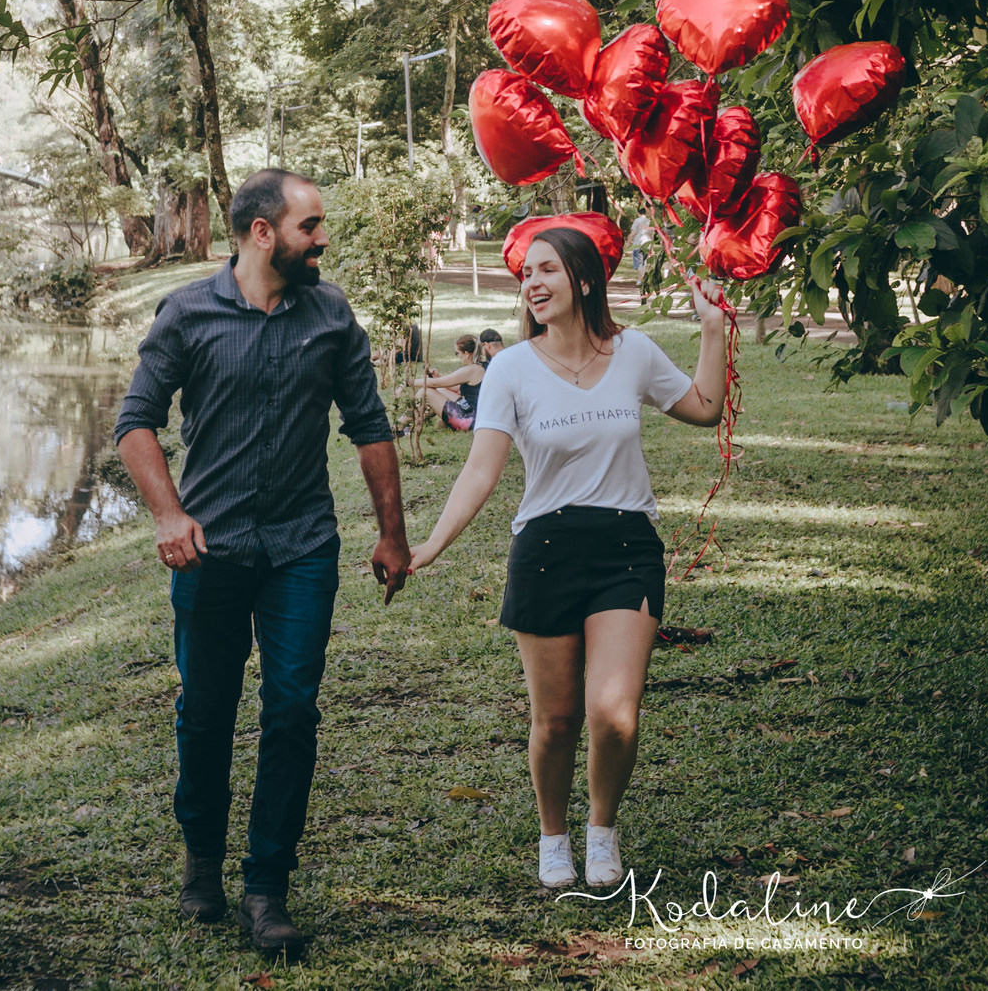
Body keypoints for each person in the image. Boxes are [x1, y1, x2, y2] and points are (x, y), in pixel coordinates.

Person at [114, 168, 410, 957]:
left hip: (301, 548)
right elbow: (135, 421)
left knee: (291, 711)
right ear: (260, 232)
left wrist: (393, 534)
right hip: (209, 550)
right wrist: (168, 513)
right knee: (205, 712)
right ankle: (202, 863)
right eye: (308, 225)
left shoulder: (330, 313)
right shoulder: (187, 312)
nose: (321, 239)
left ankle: (267, 887)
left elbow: (369, 425)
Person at [407, 227, 726, 891]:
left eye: (546, 269)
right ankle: (554, 836)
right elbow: (480, 471)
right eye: (526, 274)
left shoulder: (633, 351)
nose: (532, 283)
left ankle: (601, 828)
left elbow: (703, 407)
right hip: (546, 551)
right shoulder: (512, 370)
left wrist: (712, 328)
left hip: (625, 549)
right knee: (556, 720)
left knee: (614, 711)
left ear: (583, 279)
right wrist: (430, 545)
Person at [421, 334, 487, 431]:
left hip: (470, 420)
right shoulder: (482, 365)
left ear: (467, 353)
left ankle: (400, 426)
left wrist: (408, 382)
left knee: (425, 392)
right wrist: (439, 377)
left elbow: (435, 383)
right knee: (440, 390)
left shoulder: (471, 370)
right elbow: (458, 390)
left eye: (457, 353)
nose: (457, 356)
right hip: (476, 414)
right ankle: (413, 424)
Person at [628, 212, 652, 301]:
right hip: (647, 244)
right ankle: (640, 280)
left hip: (638, 244)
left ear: (638, 212)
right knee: (643, 263)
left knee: (639, 264)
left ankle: (641, 281)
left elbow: (633, 233)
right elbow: (652, 235)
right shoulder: (649, 221)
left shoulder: (637, 221)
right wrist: (651, 248)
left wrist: (628, 243)